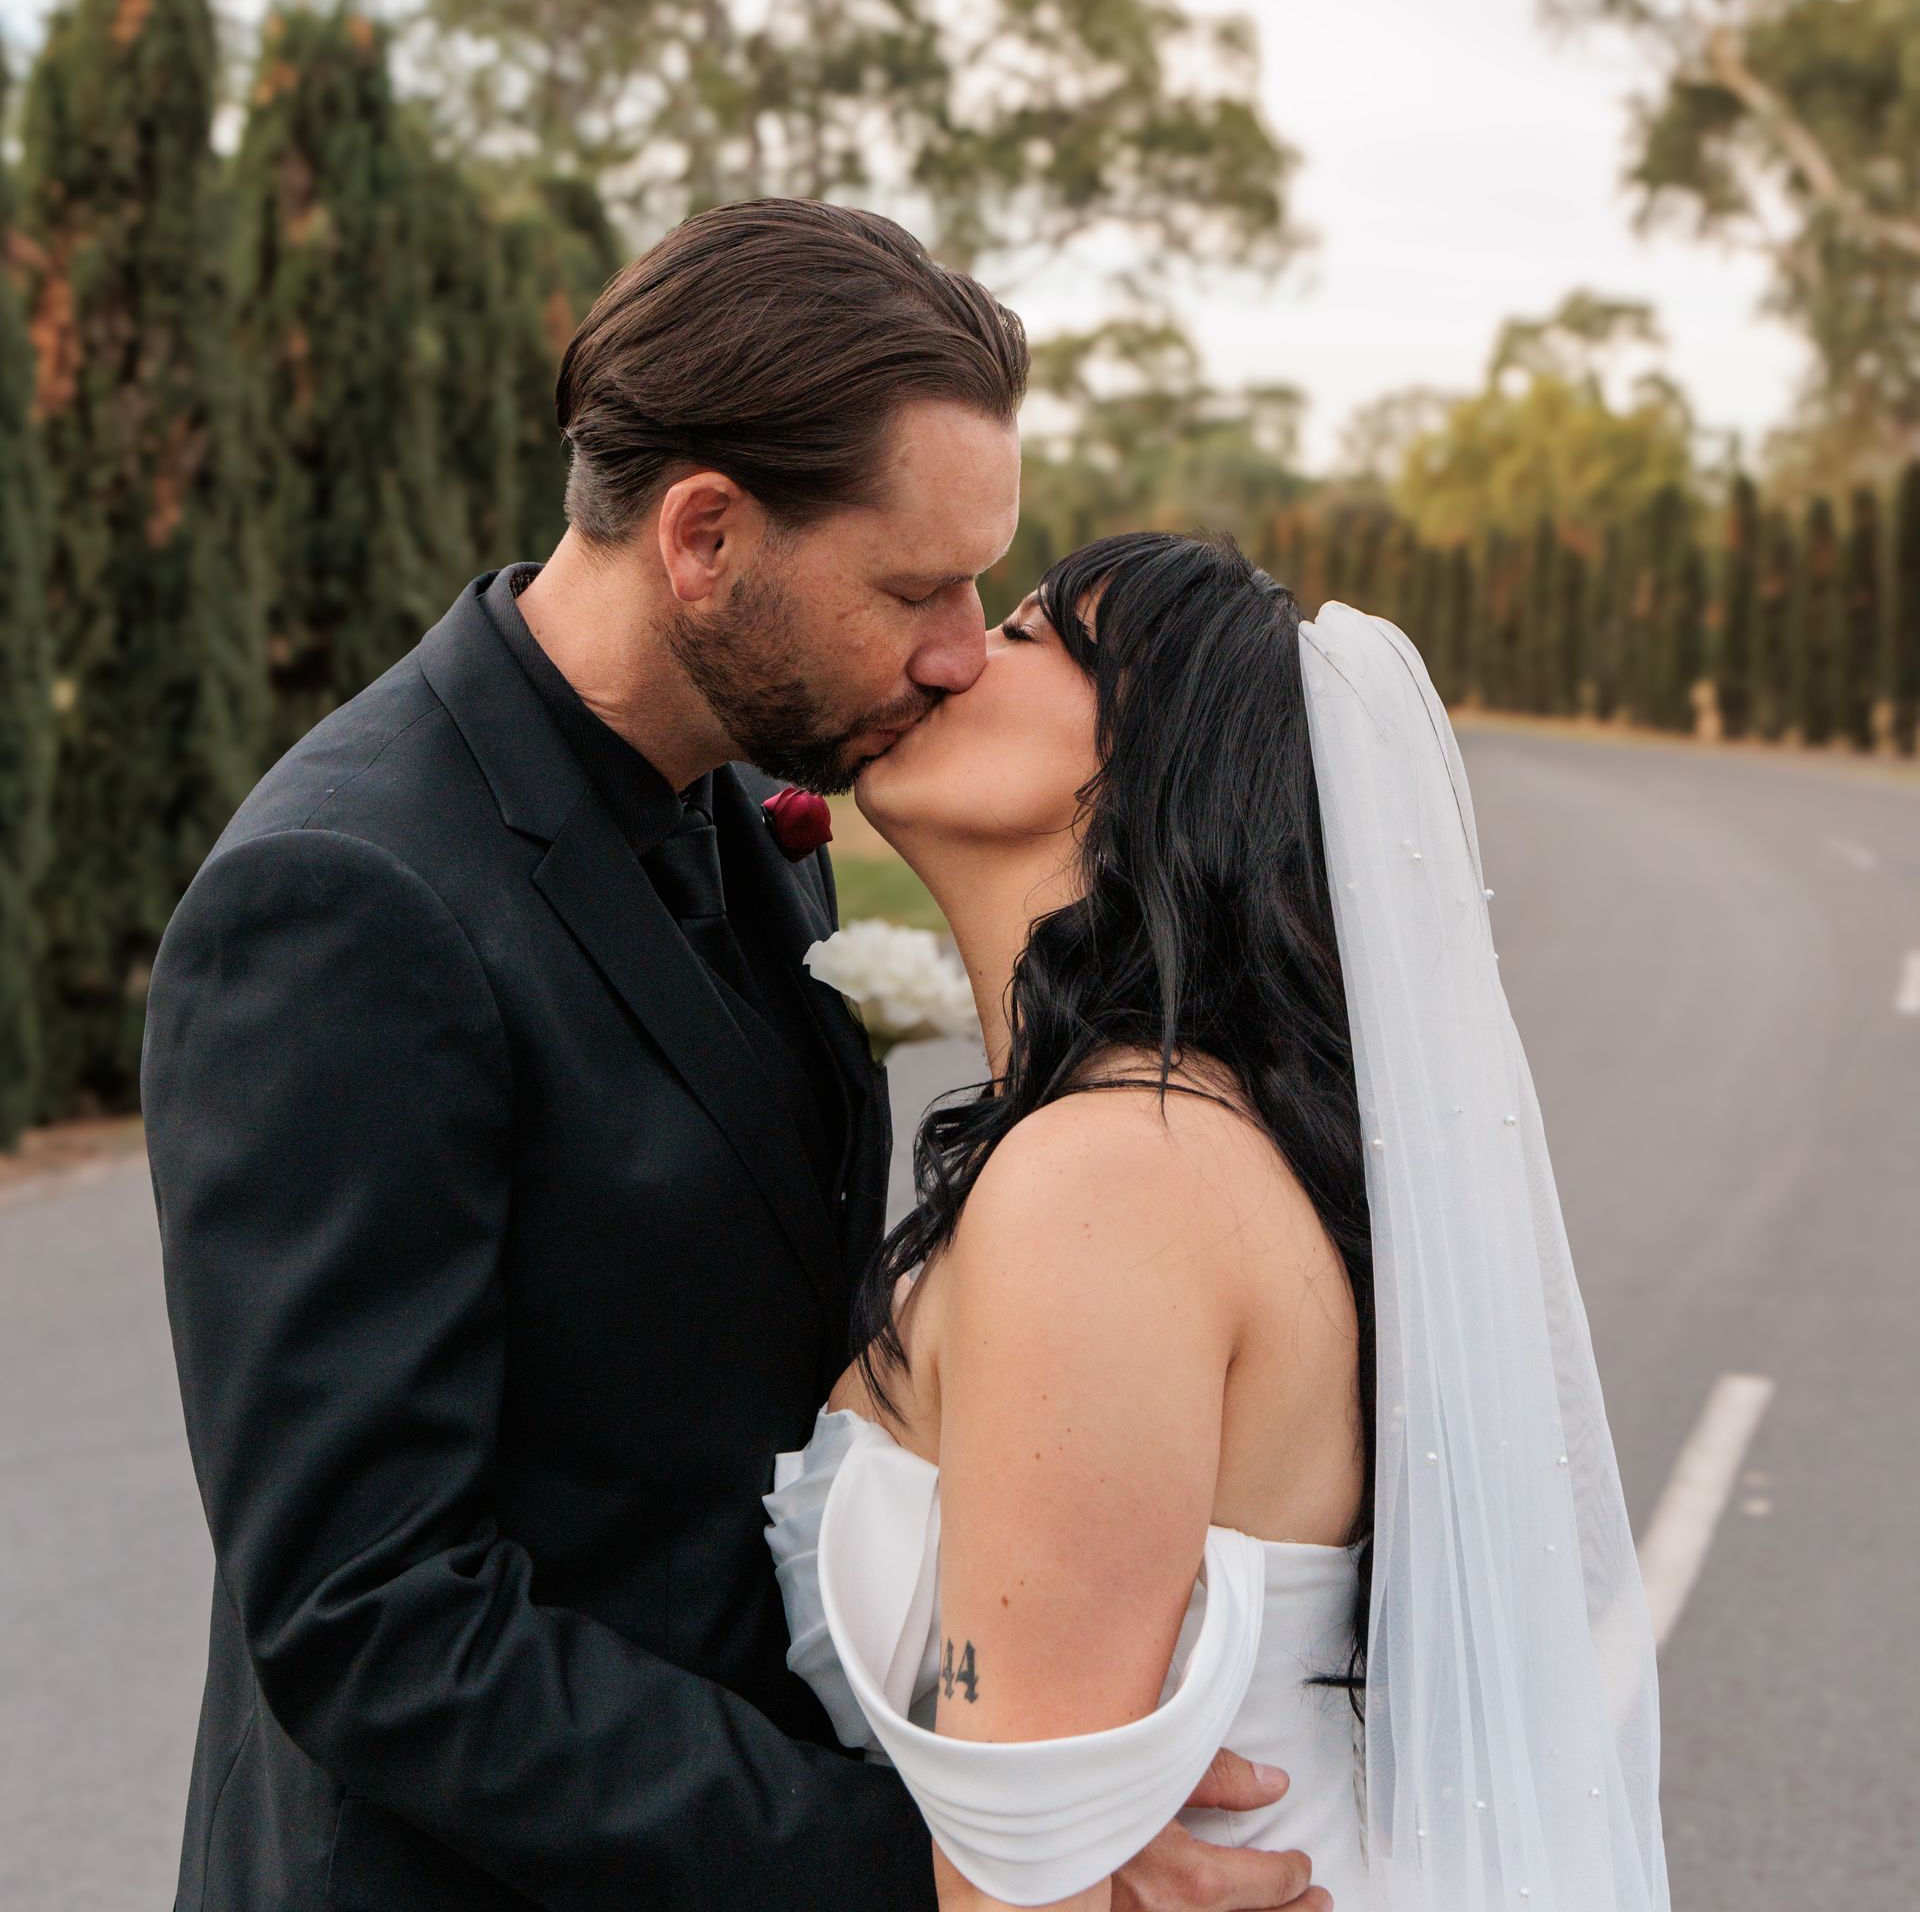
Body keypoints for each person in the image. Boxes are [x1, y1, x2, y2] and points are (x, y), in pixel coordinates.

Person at [142, 202, 1324, 1911]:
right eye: (917, 587)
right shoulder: (345, 900)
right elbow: (370, 1616)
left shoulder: (749, 820)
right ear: (704, 536)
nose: (953, 648)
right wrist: (936, 1869)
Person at [763, 533, 1673, 1910]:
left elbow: (1024, 1897)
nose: (949, 653)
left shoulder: (1115, 1180)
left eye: (1024, 635)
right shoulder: (1160, 1145)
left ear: (1153, 762)